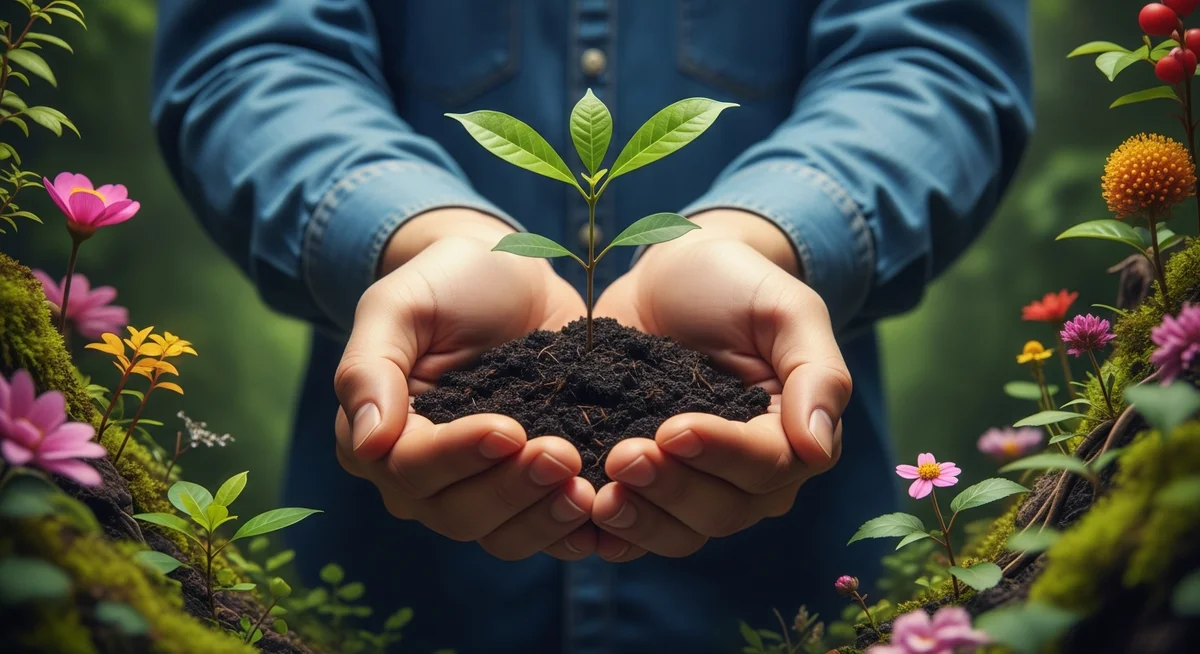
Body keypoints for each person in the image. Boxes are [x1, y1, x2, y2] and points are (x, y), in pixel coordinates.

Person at [152, 1, 1032, 651]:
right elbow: (251, 55)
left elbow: (936, 57)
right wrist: (420, 235)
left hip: (780, 582)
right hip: (403, 585)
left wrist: (761, 237)